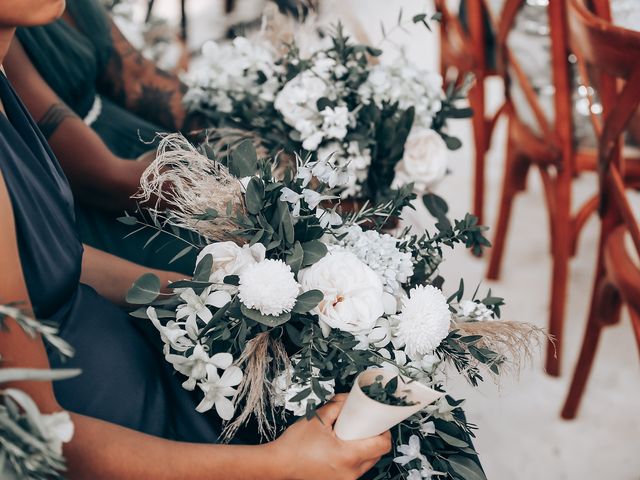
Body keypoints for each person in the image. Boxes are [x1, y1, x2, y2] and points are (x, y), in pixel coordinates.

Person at [0, 1, 390, 477]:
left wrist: (208, 296)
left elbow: (57, 260)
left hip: (133, 359)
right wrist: (279, 466)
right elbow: (36, 431)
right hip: (111, 430)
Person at [3, 0, 210, 274]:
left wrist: (225, 131)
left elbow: (138, 76)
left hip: (144, 149)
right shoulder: (10, 35)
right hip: (102, 194)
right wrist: (228, 195)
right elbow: (105, 179)